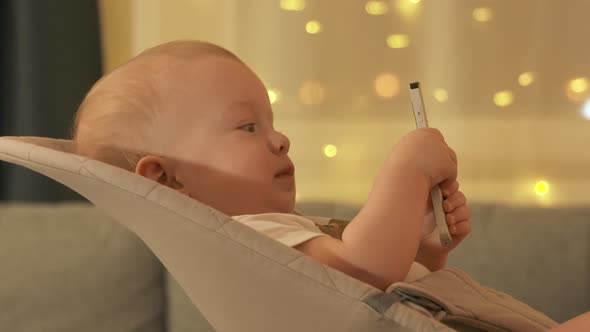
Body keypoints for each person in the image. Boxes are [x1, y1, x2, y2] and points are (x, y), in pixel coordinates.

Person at [72, 40, 587, 330]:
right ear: (168, 179)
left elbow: (373, 290)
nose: (280, 140)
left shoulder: (279, 230)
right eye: (249, 127)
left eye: (272, 123)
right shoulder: (247, 244)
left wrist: (425, 248)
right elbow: (359, 268)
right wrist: (406, 169)